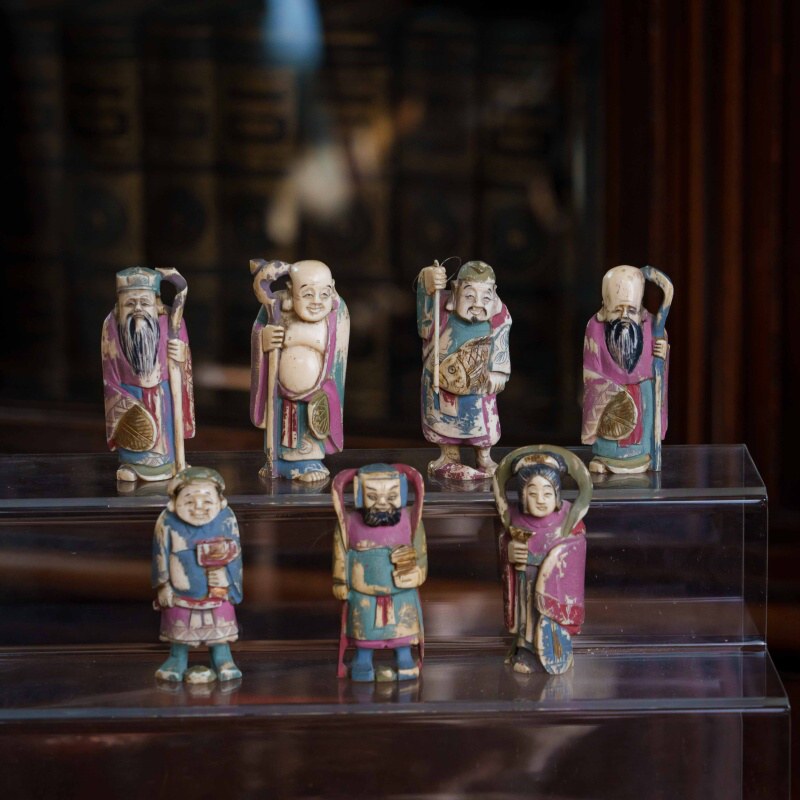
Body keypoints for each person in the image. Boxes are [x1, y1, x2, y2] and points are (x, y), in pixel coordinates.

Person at [494, 447, 591, 675]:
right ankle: (526, 650)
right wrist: (510, 551)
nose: (540, 500)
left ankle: (556, 650)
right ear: (522, 496)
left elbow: (576, 546)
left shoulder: (568, 519)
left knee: (547, 620)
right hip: (524, 582)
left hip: (554, 588)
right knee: (526, 619)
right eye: (532, 493)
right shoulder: (515, 518)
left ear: (557, 495)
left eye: (547, 493)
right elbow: (505, 540)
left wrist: (554, 558)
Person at [250, 260, 349, 481]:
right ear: (290, 290)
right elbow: (258, 331)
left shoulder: (336, 312)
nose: (316, 301)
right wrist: (264, 338)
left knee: (309, 429)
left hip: (315, 393)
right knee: (280, 426)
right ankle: (276, 461)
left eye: (324, 294)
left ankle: (309, 462)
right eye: (307, 294)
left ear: (332, 288)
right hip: (280, 392)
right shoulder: (274, 307)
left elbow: (337, 352)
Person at [416, 260, 511, 480]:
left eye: (485, 297)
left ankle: (484, 457)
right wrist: (428, 281)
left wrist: (498, 371)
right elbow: (425, 318)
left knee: (483, 422)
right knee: (444, 422)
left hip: (479, 385)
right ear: (456, 289)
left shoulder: (500, 316)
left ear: (494, 293)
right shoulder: (441, 307)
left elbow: (501, 342)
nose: (477, 304)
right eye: (469, 296)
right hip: (443, 382)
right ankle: (448, 457)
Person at [332, 463, 427, 682]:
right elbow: (340, 554)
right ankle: (362, 660)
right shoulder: (348, 523)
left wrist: (417, 574)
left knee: (402, 628)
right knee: (364, 629)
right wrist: (340, 581)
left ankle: (405, 658)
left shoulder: (411, 521)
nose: (382, 502)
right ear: (359, 493)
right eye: (373, 496)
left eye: (391, 496)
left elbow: (421, 555)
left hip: (401, 592)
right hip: (363, 593)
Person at [101, 267, 194, 482]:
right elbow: (109, 371)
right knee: (136, 432)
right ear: (119, 305)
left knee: (165, 433)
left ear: (156, 303)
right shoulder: (111, 325)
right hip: (129, 392)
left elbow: (184, 364)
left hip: (164, 392)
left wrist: (181, 354)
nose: (138, 309)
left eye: (144, 302)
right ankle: (132, 465)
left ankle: (172, 462)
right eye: (130, 304)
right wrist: (123, 401)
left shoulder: (172, 321)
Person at [152, 467, 243, 683]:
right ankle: (177, 658)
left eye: (207, 500)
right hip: (180, 588)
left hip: (217, 586)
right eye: (189, 501)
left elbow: (236, 554)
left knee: (219, 627)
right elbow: (160, 554)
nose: (198, 507)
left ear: (220, 501)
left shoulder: (226, 519)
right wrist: (163, 585)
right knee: (180, 626)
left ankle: (223, 658)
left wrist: (229, 580)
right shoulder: (167, 521)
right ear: (174, 501)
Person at [582, 265, 669, 473]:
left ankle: (643, 454)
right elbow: (591, 370)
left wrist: (662, 351)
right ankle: (607, 457)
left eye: (631, 310)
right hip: (610, 394)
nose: (624, 316)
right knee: (610, 435)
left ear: (640, 309)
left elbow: (659, 364)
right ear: (605, 308)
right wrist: (608, 390)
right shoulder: (594, 327)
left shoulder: (652, 326)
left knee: (643, 427)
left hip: (643, 392)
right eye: (617, 309)